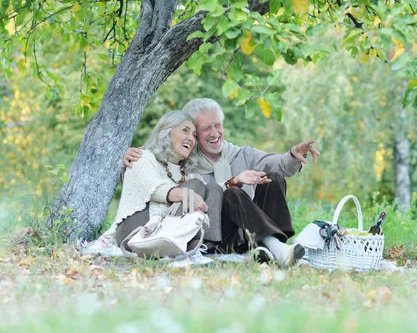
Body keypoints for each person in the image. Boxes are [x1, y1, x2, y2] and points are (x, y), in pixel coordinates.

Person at [124, 98, 320, 266]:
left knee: (274, 178)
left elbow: (277, 164)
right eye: (206, 128)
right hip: (222, 236)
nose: (215, 133)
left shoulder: (241, 154)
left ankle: (274, 245)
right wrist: (129, 158)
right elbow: (151, 169)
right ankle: (276, 249)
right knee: (231, 193)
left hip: (255, 234)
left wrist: (293, 155)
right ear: (194, 132)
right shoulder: (186, 162)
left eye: (217, 125)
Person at [100, 110, 223, 253]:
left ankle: (205, 248)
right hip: (136, 231)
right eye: (185, 131)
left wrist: (234, 181)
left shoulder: (188, 174)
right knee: (195, 186)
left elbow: (209, 194)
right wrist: (187, 195)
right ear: (167, 132)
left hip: (166, 231)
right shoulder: (143, 156)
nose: (191, 139)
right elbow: (152, 189)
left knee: (213, 188)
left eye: (194, 135)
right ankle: (187, 247)